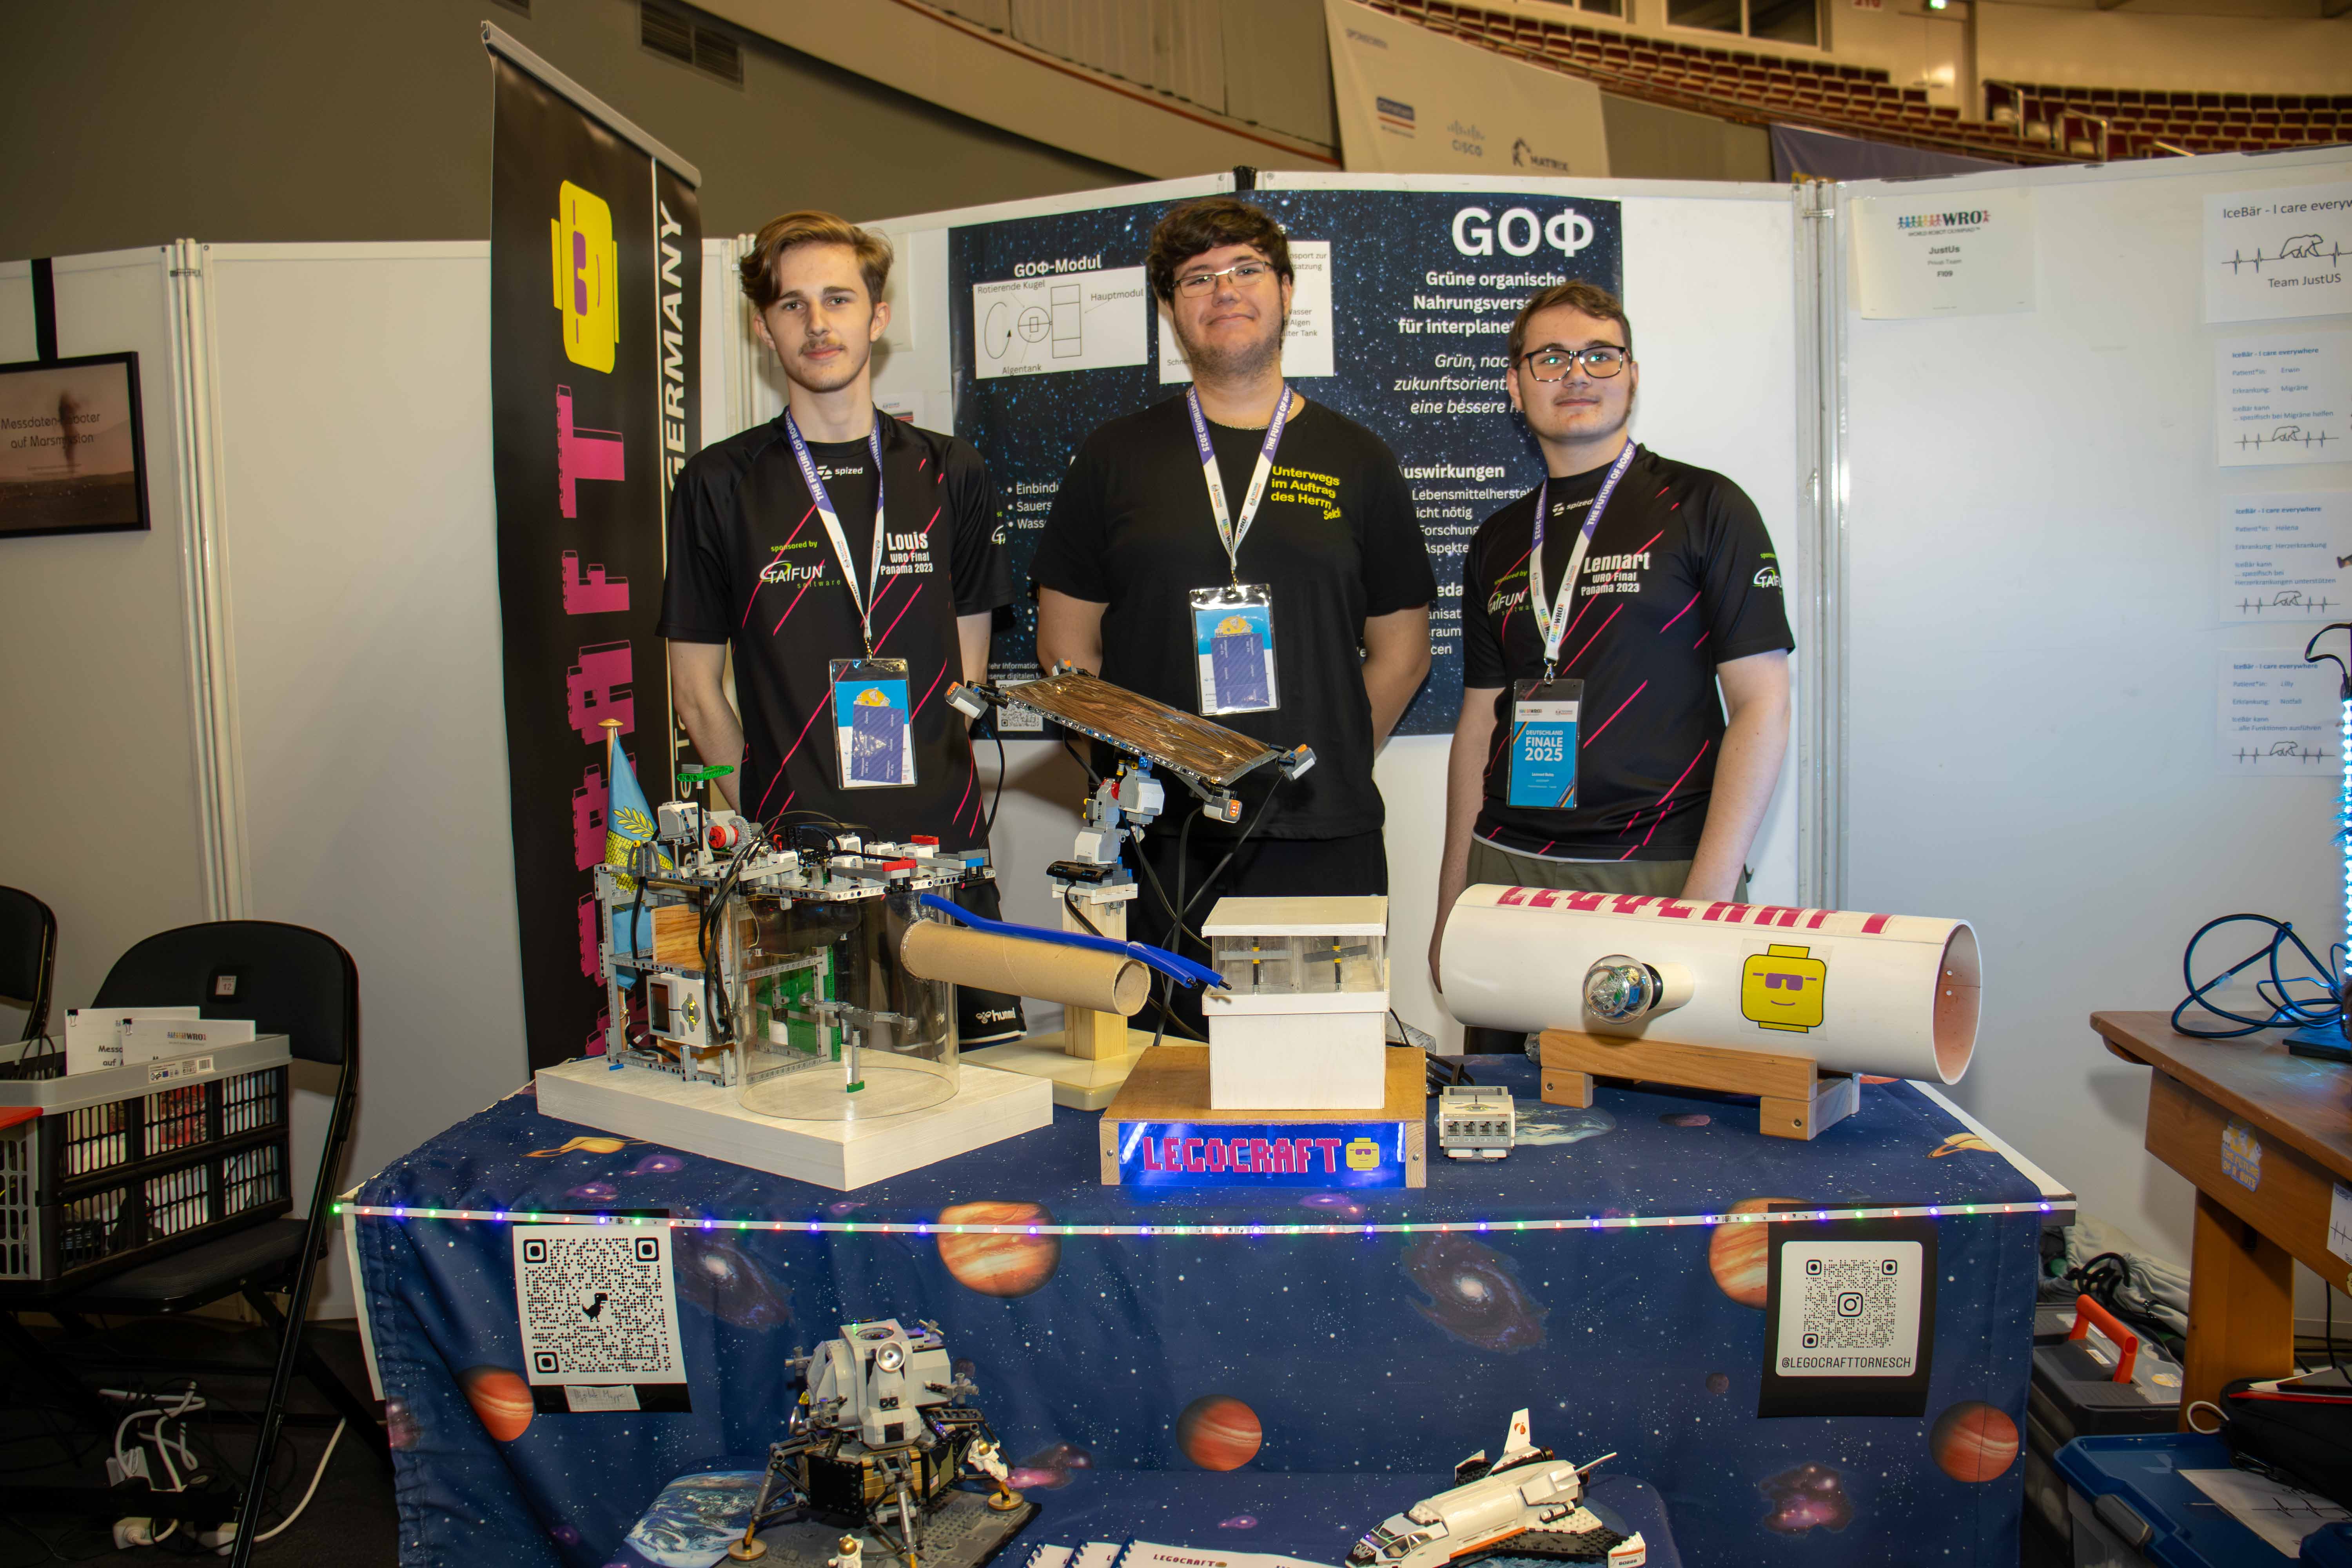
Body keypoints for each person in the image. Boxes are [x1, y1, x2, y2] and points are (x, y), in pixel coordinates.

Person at [1032, 196, 1435, 1027]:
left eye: (1247, 269)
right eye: (1197, 277)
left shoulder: (1359, 460)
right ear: (1170, 307)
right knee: (1164, 1073)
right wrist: (1141, 773)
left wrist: (1324, 761)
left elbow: (1403, 652)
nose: (1225, 290)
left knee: (1322, 1075)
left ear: (1286, 290)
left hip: (1323, 836)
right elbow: (1067, 653)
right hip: (1163, 845)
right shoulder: (1113, 458)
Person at [659, 210, 1023, 1043]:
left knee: (981, 1081)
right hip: (800, 872)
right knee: (814, 1093)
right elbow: (695, 691)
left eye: (838, 299)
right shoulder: (721, 484)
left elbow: (967, 669)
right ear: (764, 328)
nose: (817, 323)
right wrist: (766, 825)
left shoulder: (950, 472)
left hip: (945, 857)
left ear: (877, 316)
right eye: (792, 305)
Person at [1431, 281, 1792, 999]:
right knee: (1510, 1072)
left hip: (1660, 867)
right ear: (1515, 385)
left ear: (1632, 376)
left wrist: (1707, 900)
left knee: (1664, 1076)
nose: (1576, 375)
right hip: (1507, 869)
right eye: (1551, 358)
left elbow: (1763, 705)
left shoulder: (1704, 506)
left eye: (1600, 356)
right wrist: (1451, 902)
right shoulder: (1498, 539)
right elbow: (1478, 723)